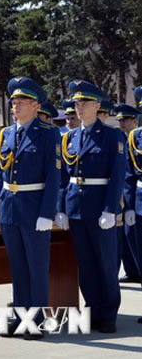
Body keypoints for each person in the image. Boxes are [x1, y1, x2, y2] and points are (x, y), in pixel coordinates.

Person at [0, 77, 60, 340]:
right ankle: (21, 317)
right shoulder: (6, 134)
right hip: (9, 208)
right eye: (13, 102)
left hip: (34, 208)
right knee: (17, 268)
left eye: (21, 102)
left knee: (36, 268)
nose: (15, 106)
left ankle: (38, 320)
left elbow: (54, 177)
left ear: (35, 105)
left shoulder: (48, 133)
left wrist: (46, 213)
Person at [56, 80, 124, 334]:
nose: (79, 108)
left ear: (97, 106)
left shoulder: (111, 136)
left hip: (100, 208)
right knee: (85, 263)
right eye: (76, 104)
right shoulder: (70, 138)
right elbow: (64, 176)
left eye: (84, 103)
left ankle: (108, 314)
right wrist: (60, 207)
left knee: (105, 263)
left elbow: (117, 176)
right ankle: (92, 309)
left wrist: (110, 209)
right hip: (76, 207)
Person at [115, 103, 141, 284]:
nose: (121, 123)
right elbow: (129, 175)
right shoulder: (135, 137)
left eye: (125, 119)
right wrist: (129, 207)